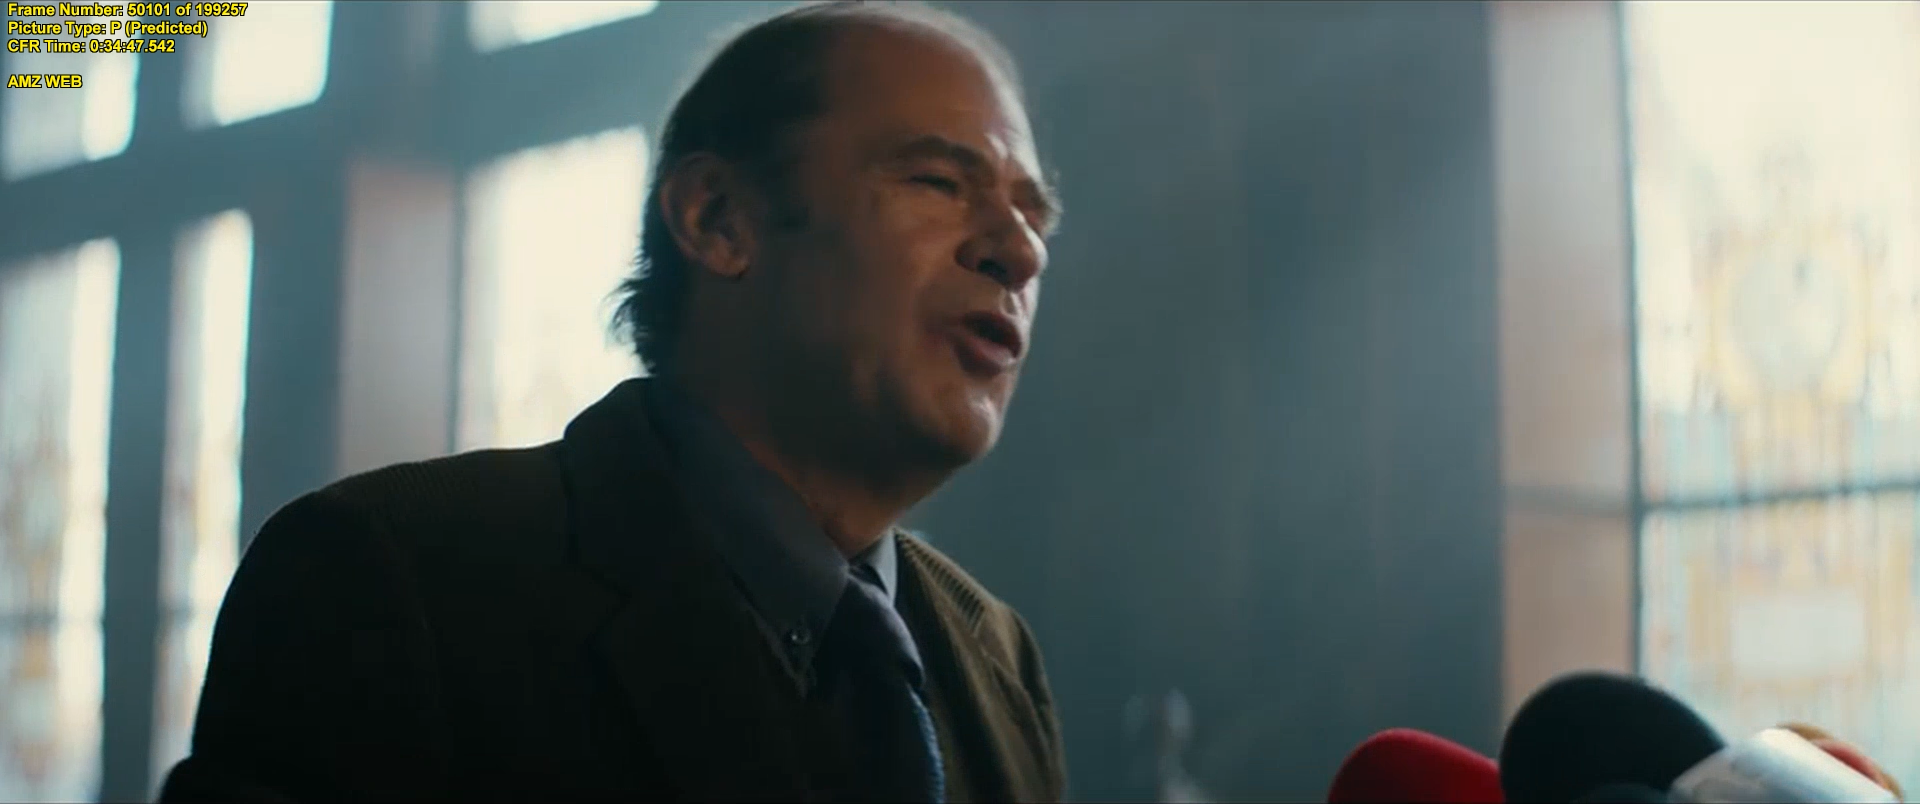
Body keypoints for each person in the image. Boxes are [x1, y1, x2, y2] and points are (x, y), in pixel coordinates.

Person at [157, 2, 1065, 801]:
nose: (1018, 251)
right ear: (718, 219)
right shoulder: (392, 578)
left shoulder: (996, 659)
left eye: (1034, 214)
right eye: (938, 182)